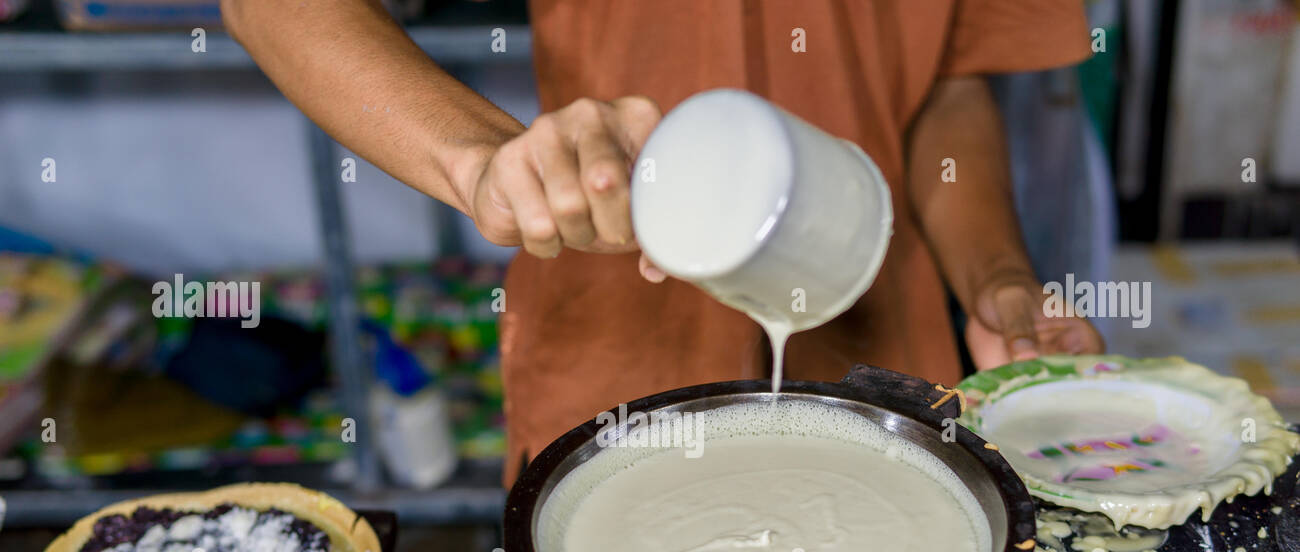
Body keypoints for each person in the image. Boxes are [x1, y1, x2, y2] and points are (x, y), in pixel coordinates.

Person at [222, 0, 1105, 484]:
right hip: (621, 358)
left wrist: (996, 278)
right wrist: (483, 164)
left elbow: (950, 84)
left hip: (881, 360)